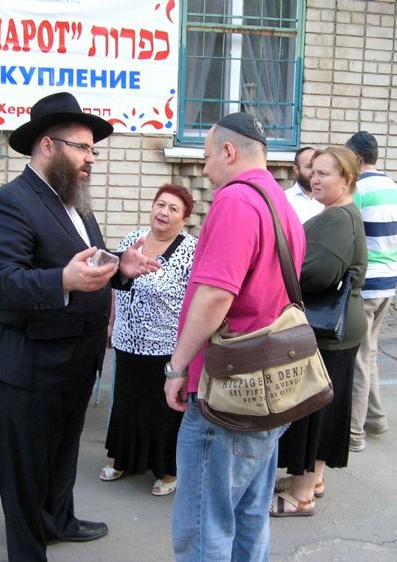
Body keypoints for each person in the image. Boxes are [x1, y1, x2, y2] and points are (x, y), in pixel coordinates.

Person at [0, 91, 160, 562]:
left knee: (61, 453)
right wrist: (62, 281)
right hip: (29, 365)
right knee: (26, 467)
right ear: (48, 146)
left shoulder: (77, 203)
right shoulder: (7, 205)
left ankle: (58, 521)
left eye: (93, 150)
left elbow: (87, 264)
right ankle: (27, 550)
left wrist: (119, 269)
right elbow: (0, 283)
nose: (91, 158)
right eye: (82, 148)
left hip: (75, 360)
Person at [164, 113, 305, 561]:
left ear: (228, 151)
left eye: (207, 158)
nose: (204, 169)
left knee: (204, 524)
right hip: (268, 384)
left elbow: (214, 297)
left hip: (227, 390)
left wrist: (176, 367)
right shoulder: (280, 203)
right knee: (249, 517)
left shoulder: (236, 201)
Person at [273, 147, 368, 516]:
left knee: (313, 409)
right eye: (313, 171)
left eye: (325, 173)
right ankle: (312, 480)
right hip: (336, 328)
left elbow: (317, 273)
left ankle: (301, 495)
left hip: (328, 329)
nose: (315, 178)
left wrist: (278, 274)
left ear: (347, 179)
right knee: (324, 406)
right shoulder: (339, 212)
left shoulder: (338, 218)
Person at [101, 184, 197, 496]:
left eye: (173, 209)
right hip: (128, 340)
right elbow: (116, 284)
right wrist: (111, 322)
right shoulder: (132, 240)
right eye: (160, 204)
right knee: (126, 404)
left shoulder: (191, 250)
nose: (163, 212)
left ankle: (167, 469)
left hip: (166, 345)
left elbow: (195, 301)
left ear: (184, 220)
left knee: (161, 411)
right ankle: (123, 458)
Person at [345, 131, 397, 452]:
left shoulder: (359, 190)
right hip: (389, 282)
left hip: (367, 285)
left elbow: (351, 236)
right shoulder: (392, 186)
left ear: (357, 159)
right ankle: (376, 418)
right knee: (370, 352)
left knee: (360, 359)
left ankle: (354, 433)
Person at [284, 146, 324, 223]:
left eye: (317, 166)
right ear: (296, 169)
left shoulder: (328, 199)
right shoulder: (285, 200)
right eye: (309, 167)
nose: (314, 172)